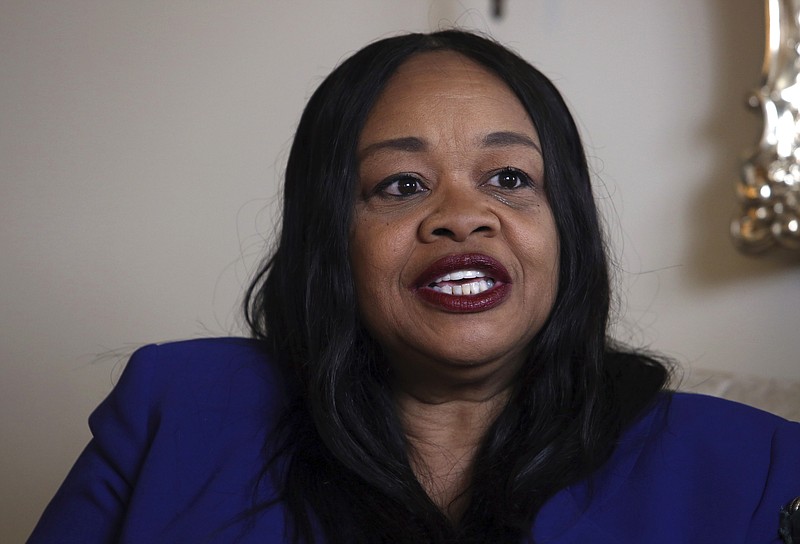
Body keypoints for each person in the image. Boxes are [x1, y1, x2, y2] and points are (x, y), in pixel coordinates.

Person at [28, 30, 800, 544]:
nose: (463, 217)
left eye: (507, 178)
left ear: (566, 228)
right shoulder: (173, 409)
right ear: (329, 236)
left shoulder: (756, 464)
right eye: (399, 184)